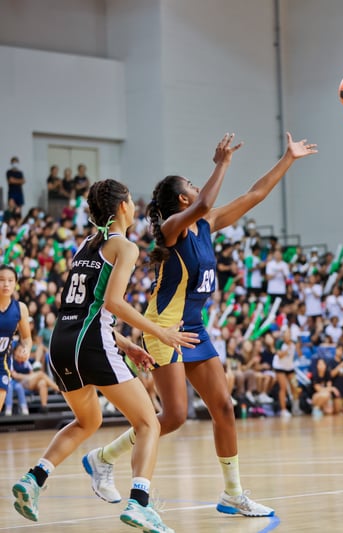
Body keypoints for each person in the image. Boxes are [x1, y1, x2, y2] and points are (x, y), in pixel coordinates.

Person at [82, 132, 316, 516]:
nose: (197, 188)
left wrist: (287, 159)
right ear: (182, 200)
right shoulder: (172, 228)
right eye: (190, 185)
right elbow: (207, 199)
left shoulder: (207, 224)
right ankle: (103, 457)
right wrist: (221, 162)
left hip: (195, 329)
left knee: (223, 406)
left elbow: (255, 195)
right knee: (174, 416)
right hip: (163, 327)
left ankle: (232, 493)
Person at [11, 179, 197, 531]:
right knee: (147, 423)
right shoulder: (124, 247)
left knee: (88, 422)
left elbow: (86, 307)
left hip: (62, 341)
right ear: (123, 206)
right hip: (91, 342)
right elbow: (112, 303)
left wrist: (127, 345)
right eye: (130, 200)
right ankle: (139, 503)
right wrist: (161, 332)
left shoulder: (86, 245)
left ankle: (34, 478)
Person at [0, 264, 32, 414]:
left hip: (3, 365)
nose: (6, 284)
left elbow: (26, 338)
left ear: (15, 283)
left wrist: (26, 349)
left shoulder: (20, 308)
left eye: (10, 280)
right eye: (1, 280)